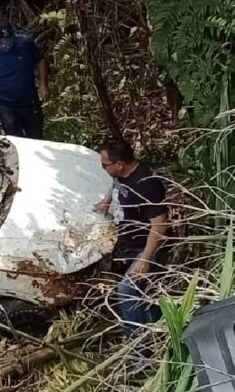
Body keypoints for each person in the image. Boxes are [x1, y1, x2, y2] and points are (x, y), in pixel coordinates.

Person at [94, 139, 168, 338]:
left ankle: (138, 351)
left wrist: (145, 259)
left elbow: (160, 224)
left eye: (105, 165)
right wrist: (107, 200)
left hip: (147, 248)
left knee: (127, 291)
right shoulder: (122, 173)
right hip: (129, 244)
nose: (103, 169)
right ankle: (161, 331)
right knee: (146, 297)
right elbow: (116, 182)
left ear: (119, 164)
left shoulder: (146, 185)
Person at [0, 19, 50, 139]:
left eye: (10, 40)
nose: (8, 45)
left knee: (36, 138)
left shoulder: (25, 43)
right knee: (15, 140)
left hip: (30, 102)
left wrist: (43, 84)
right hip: (7, 107)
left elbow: (40, 60)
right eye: (3, 43)